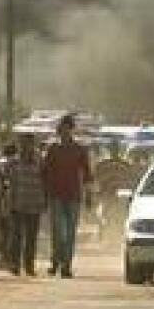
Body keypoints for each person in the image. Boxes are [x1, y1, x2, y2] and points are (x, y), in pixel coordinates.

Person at [42, 115, 93, 278]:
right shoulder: (52, 149)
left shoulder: (79, 150)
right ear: (59, 131)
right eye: (62, 129)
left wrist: (89, 195)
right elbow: (44, 173)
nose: (65, 132)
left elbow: (87, 174)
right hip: (56, 195)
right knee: (57, 232)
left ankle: (66, 265)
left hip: (73, 196)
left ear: (71, 130)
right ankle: (55, 261)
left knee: (70, 233)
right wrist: (45, 193)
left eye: (67, 129)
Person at [4, 134, 45, 277]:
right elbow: (6, 182)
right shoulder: (12, 162)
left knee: (31, 237)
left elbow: (45, 181)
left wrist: (44, 201)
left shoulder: (40, 161)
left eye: (29, 144)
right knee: (16, 236)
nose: (26, 147)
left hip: (35, 204)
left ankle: (29, 265)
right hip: (17, 204)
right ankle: (15, 264)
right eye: (23, 144)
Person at [94, 140, 139, 241]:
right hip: (107, 195)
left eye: (115, 148)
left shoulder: (124, 164)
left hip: (120, 196)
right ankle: (103, 235)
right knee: (103, 216)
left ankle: (113, 236)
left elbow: (131, 180)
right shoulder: (103, 164)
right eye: (112, 148)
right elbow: (96, 179)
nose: (114, 150)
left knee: (117, 216)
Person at [0, 144, 18, 270]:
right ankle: (9, 258)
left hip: (1, 202)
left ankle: (3, 257)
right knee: (11, 231)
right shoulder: (16, 163)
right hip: (12, 202)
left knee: (3, 231)